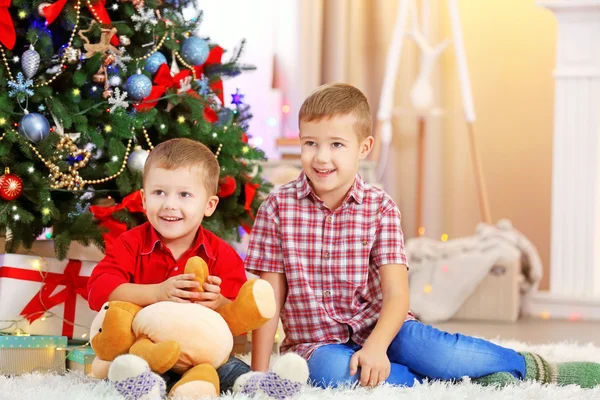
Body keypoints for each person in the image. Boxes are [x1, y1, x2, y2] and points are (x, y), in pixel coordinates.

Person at [245, 82, 600, 389]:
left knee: (435, 349)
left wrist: (377, 346)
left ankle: (533, 368)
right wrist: (259, 375)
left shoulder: (379, 207)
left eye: (337, 144)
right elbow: (269, 297)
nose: (321, 157)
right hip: (317, 345)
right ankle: (452, 382)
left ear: (364, 148)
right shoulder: (277, 208)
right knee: (331, 373)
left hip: (384, 327)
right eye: (310, 143)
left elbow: (397, 294)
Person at [88, 138, 250, 393]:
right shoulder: (130, 244)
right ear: (143, 199)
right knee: (131, 369)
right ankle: (150, 388)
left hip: (199, 355)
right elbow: (98, 291)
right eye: (159, 192)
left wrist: (218, 303)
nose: (169, 204)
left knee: (232, 370)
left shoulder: (222, 254)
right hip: (146, 351)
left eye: (184, 194)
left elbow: (240, 316)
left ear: (209, 205)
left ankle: (255, 386)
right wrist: (155, 293)